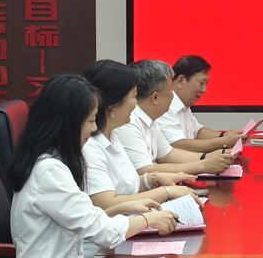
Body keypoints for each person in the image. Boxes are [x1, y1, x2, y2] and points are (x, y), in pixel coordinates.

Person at [7, 74, 178, 258]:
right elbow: (102, 232)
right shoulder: (49, 171)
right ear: (67, 123)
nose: (94, 128)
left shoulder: (50, 160)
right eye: (89, 121)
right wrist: (147, 220)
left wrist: (120, 209)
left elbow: (79, 218)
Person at [82, 59, 202, 210]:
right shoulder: (90, 147)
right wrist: (167, 192)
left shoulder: (112, 137)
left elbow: (127, 184)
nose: (136, 104)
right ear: (113, 106)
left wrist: (153, 178)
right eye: (134, 97)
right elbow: (107, 203)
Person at [113, 59, 236, 175]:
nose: (173, 96)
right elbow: (145, 170)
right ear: (155, 97)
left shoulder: (151, 119)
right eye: (170, 90)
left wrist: (208, 157)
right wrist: (203, 165)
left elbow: (168, 155)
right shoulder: (128, 122)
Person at [157, 55, 248, 153]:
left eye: (206, 84)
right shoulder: (164, 106)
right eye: (201, 83)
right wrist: (223, 142)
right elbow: (178, 144)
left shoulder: (184, 105)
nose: (204, 90)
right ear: (181, 80)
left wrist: (224, 135)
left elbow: (197, 131)